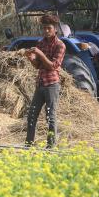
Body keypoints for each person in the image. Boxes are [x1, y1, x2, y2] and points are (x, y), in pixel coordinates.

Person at [23, 14, 66, 148]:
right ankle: (29, 144)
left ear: (55, 29)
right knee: (32, 115)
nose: (46, 31)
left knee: (50, 116)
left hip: (52, 84)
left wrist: (40, 54)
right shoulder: (41, 43)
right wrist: (30, 57)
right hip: (41, 83)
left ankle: (51, 146)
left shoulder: (60, 45)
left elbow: (53, 66)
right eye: (44, 28)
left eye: (49, 28)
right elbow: (38, 65)